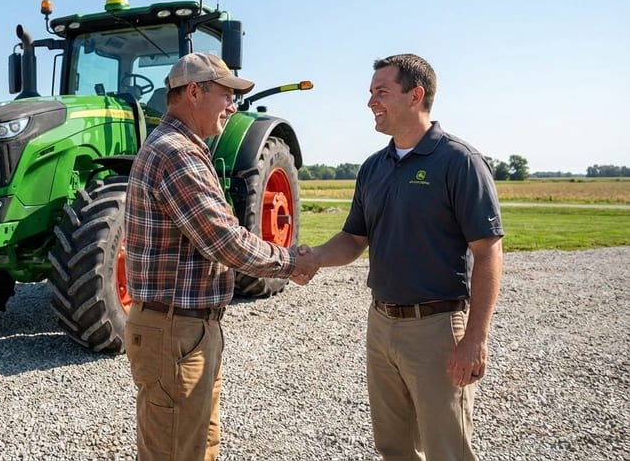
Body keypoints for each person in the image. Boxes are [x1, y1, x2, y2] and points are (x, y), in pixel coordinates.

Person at [304, 54, 504, 460]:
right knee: (393, 447)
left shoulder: (459, 161)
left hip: (436, 328)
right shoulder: (374, 167)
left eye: (381, 91)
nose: (370, 102)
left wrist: (476, 338)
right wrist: (311, 258)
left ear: (416, 95)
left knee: (446, 448)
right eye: (370, 92)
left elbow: (488, 252)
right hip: (381, 324)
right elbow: (353, 239)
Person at [123, 52, 319, 461]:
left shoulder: (183, 149)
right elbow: (223, 239)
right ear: (194, 92)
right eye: (226, 95)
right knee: (178, 450)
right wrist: (292, 263)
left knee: (196, 446)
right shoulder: (176, 152)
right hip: (174, 330)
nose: (233, 107)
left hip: (185, 328)